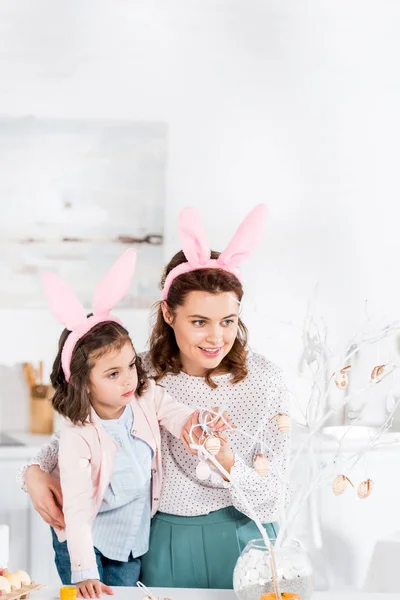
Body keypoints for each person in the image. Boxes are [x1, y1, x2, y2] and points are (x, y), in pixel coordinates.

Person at [19, 204, 291, 589]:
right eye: (199, 322)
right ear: (168, 313)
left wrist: (231, 465)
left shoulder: (265, 381)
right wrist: (30, 472)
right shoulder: (136, 372)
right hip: (158, 542)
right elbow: (81, 435)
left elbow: (275, 494)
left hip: (245, 538)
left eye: (228, 321)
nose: (217, 338)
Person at [37, 248, 225, 597]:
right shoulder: (78, 435)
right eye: (113, 373)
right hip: (84, 538)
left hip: (129, 536)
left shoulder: (143, 395)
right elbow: (76, 510)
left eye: (131, 365)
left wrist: (194, 421)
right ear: (81, 381)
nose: (128, 380)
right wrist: (83, 572)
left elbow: (173, 411)